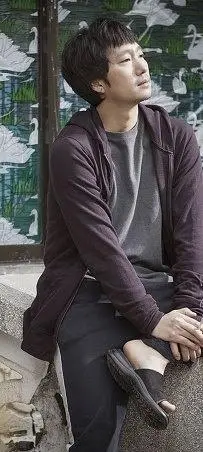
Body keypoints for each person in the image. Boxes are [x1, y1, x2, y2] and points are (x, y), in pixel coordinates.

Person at [21, 17, 203, 451]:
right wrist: (154, 321)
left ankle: (148, 356)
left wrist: (190, 311)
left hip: (158, 286)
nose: (142, 66)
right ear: (98, 84)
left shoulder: (176, 137)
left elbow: (192, 232)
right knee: (98, 434)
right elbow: (101, 252)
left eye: (141, 55)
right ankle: (146, 353)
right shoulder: (73, 150)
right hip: (89, 295)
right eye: (125, 60)